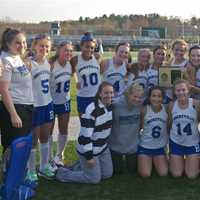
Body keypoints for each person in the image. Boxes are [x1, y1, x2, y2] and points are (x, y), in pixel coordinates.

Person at [56, 81, 113, 184]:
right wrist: (89, 157)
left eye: (111, 93)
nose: (109, 96)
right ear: (100, 93)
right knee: (94, 179)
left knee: (107, 174)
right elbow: (85, 137)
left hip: (102, 148)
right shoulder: (91, 110)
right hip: (88, 148)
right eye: (106, 93)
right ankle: (61, 173)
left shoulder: (110, 105)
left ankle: (78, 165)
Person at [0, 28, 33, 152]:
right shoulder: (6, 60)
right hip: (15, 108)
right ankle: (8, 171)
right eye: (18, 43)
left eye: (24, 42)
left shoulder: (16, 57)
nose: (22, 45)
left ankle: (17, 172)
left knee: (22, 149)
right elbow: (3, 90)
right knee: (13, 148)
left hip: (25, 107)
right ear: (8, 44)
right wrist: (14, 115)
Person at [27, 34, 55, 181]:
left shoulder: (49, 63)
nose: (44, 48)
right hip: (35, 106)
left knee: (45, 137)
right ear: (34, 47)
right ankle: (31, 170)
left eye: (47, 46)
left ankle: (43, 166)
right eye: (41, 45)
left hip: (48, 103)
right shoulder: (30, 64)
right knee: (33, 140)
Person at [108, 83, 144, 175]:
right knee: (117, 171)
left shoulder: (141, 106)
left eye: (140, 97)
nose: (137, 99)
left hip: (132, 146)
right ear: (128, 94)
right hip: (115, 145)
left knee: (133, 170)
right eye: (135, 96)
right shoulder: (115, 105)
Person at [168, 79, 200, 179]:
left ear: (188, 90)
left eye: (183, 89)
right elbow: (169, 123)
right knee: (176, 174)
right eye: (178, 90)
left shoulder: (196, 103)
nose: (181, 92)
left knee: (192, 175)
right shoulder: (171, 105)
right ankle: (177, 160)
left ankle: (191, 161)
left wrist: (195, 89)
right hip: (176, 142)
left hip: (192, 143)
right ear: (174, 92)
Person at [49, 41, 73, 166]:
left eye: (70, 50)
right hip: (51, 101)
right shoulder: (51, 64)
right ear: (58, 51)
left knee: (63, 129)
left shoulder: (71, 64)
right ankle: (48, 156)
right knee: (49, 130)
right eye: (65, 50)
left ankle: (59, 155)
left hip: (64, 101)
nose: (68, 53)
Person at [138, 86, 168, 177]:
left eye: (159, 96)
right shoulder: (144, 109)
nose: (156, 98)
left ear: (163, 98)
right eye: (153, 96)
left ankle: (156, 161)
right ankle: (146, 161)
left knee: (163, 173)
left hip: (159, 147)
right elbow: (139, 128)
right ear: (149, 97)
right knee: (145, 174)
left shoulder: (166, 109)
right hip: (145, 147)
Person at [70, 32, 101, 117]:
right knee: (84, 124)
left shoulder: (97, 57)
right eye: (87, 47)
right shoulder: (75, 60)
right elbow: (72, 72)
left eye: (92, 47)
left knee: (97, 124)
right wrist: (76, 81)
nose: (89, 50)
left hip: (96, 97)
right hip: (83, 97)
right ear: (81, 46)